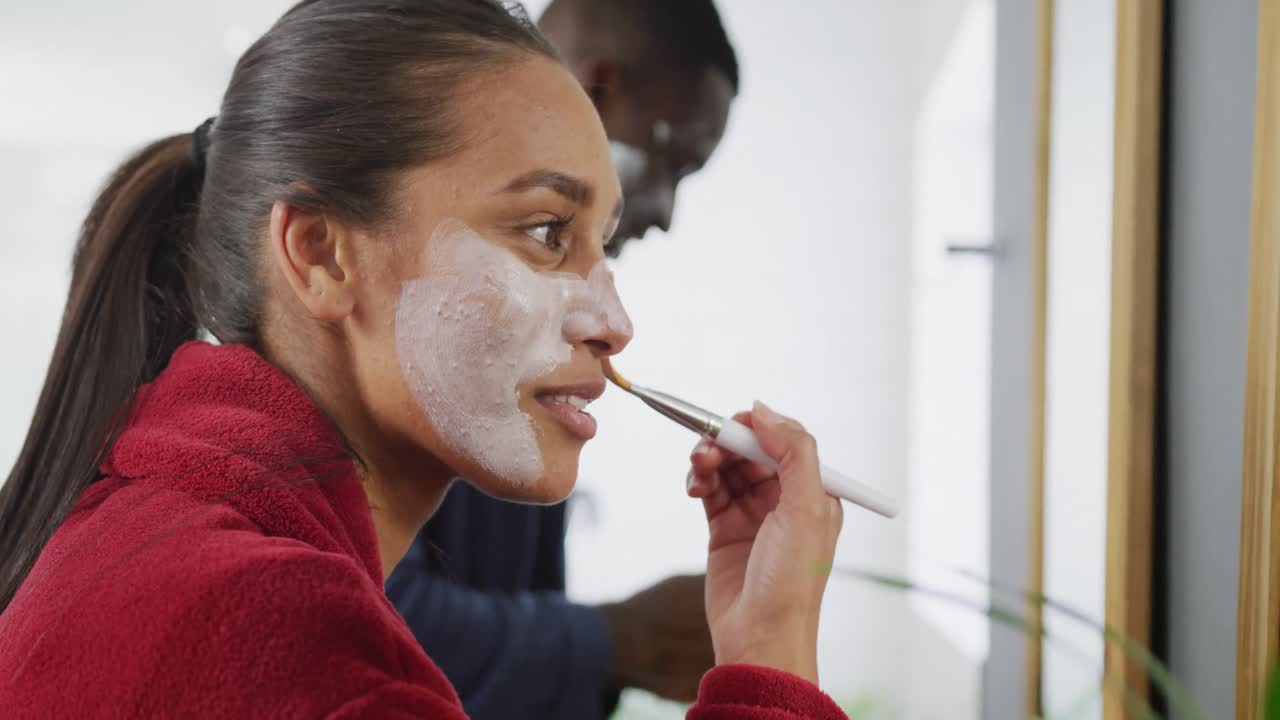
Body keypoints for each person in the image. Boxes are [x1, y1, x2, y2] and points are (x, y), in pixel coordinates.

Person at [0, 1, 845, 719]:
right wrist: (771, 656)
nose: (616, 324)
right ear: (322, 254)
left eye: (603, 242)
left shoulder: (153, 526)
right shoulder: (301, 644)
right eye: (546, 231)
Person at [386, 1, 738, 715]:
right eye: (548, 233)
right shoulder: (406, 328)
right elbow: (361, 619)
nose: (615, 329)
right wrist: (621, 641)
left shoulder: (527, 364)